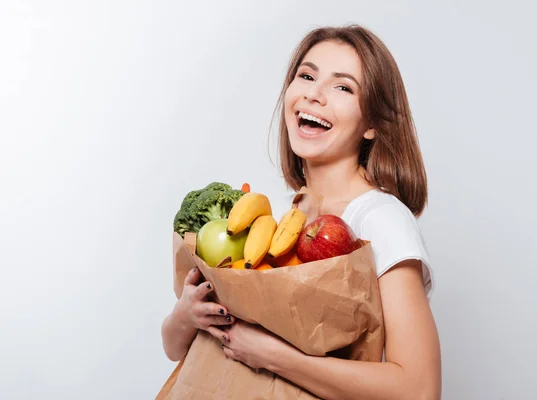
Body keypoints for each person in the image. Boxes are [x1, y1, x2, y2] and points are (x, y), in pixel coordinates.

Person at [161, 24, 441, 400]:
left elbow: (419, 390)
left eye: (342, 87)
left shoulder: (380, 220)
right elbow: (176, 349)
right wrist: (188, 315)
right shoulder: (284, 216)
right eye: (306, 76)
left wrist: (273, 357)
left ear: (373, 123)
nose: (314, 94)